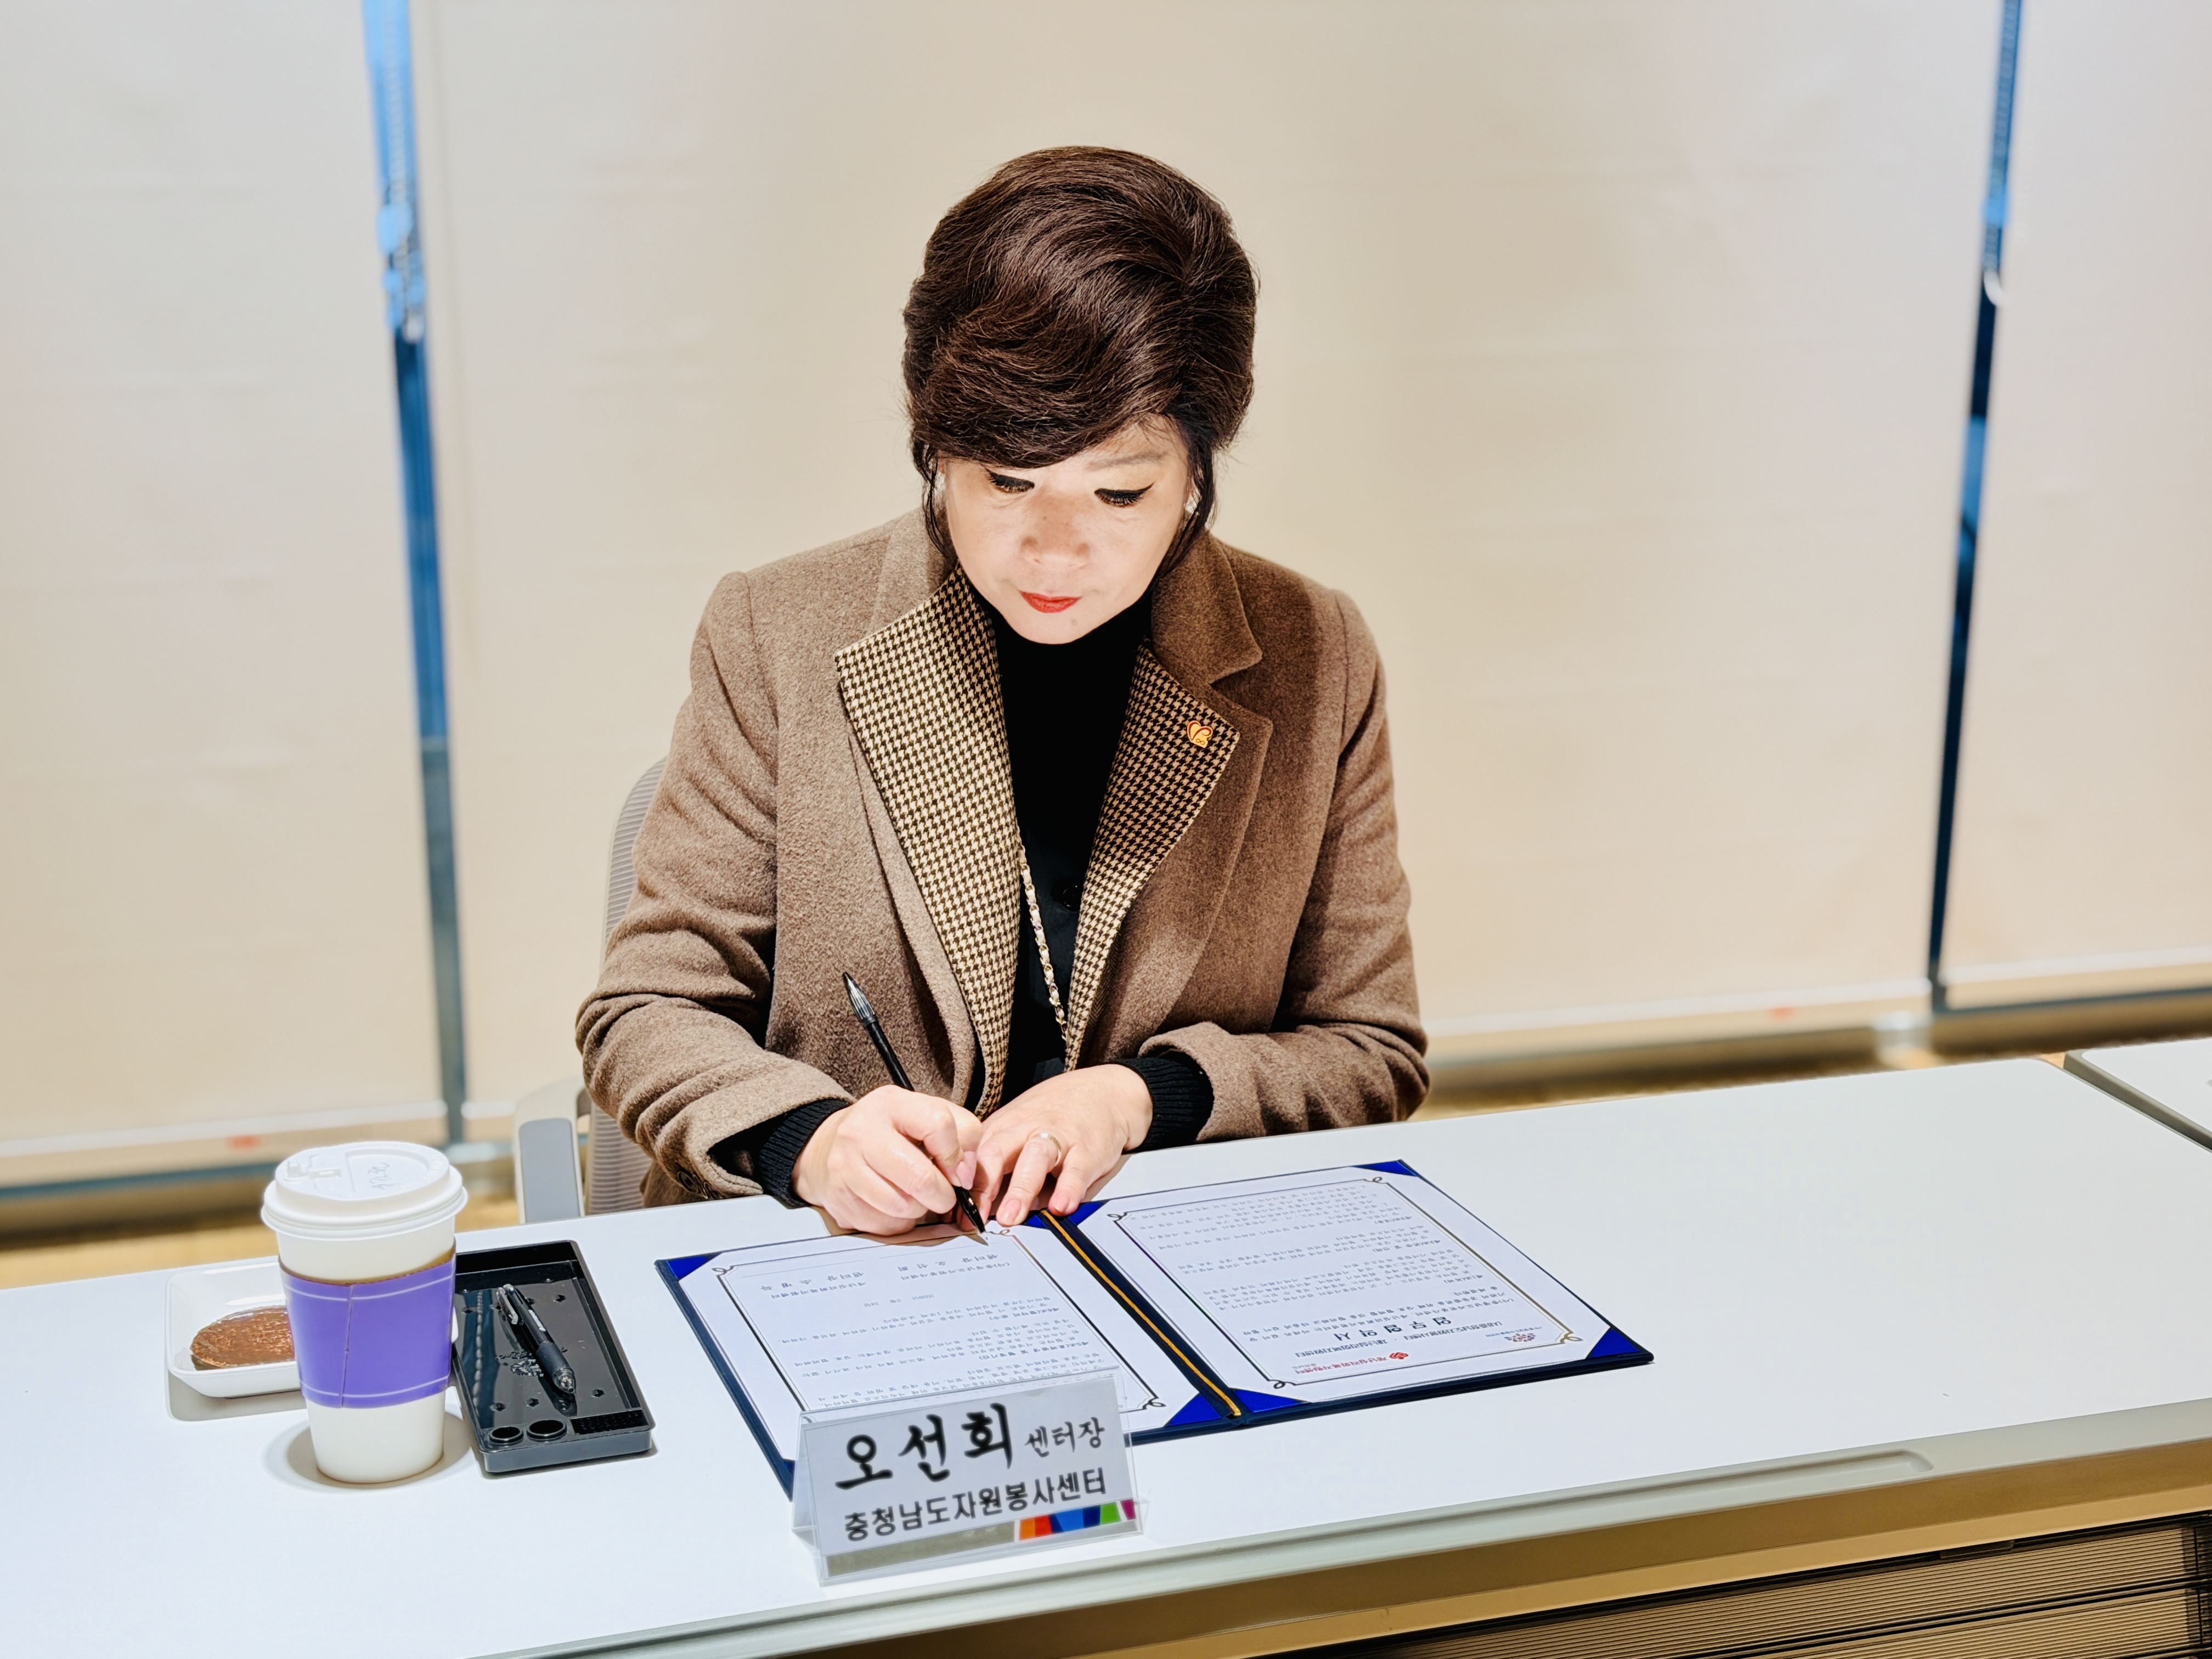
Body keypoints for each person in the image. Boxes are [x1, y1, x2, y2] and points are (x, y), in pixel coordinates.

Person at [578, 147, 1425, 1233]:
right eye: (1007, 481)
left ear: (1199, 472)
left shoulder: (1316, 652)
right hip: (850, 1262)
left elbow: (1369, 1048)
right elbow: (650, 1010)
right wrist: (816, 1142)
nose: (1055, 552)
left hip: (1157, 1245)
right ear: (934, 448)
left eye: (1120, 494)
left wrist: (1140, 1099)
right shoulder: (776, 631)